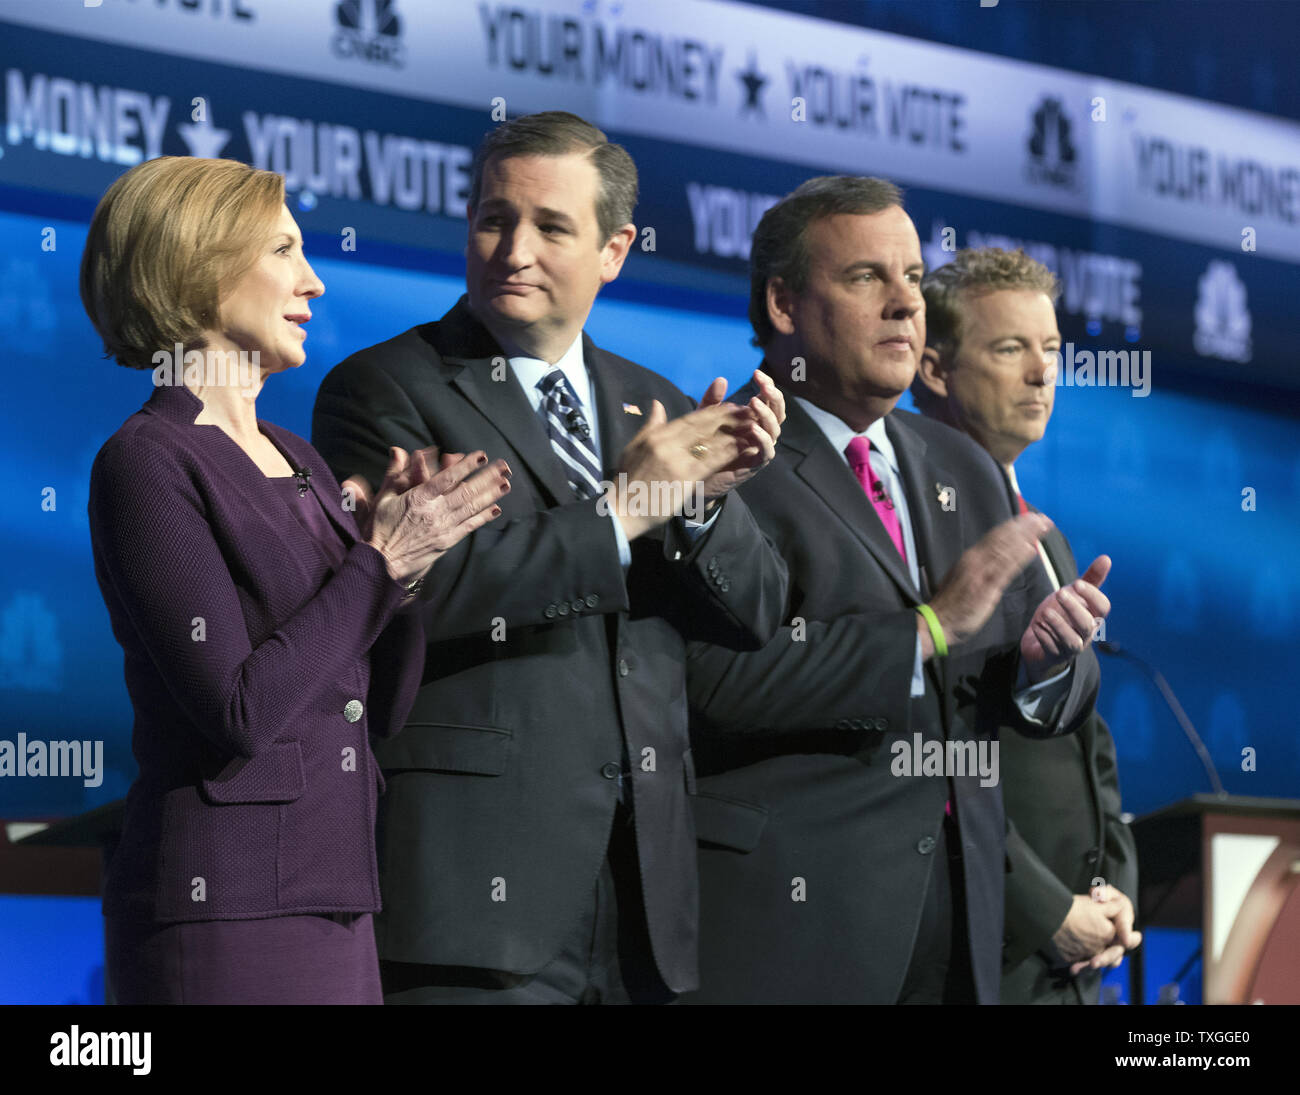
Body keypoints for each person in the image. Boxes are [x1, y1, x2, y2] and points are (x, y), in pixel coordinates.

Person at [312, 111, 789, 1004]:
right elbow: (414, 591)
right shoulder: (384, 388)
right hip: (475, 898)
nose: (512, 249)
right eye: (494, 219)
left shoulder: (657, 400)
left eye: (551, 226)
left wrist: (700, 508)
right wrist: (624, 512)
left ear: (615, 250)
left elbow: (756, 611)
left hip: (646, 900)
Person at [83, 156, 509, 1004]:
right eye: (284, 250)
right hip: (226, 907)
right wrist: (377, 561)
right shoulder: (147, 461)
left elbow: (377, 705)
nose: (313, 281)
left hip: (340, 890)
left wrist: (406, 569)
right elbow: (239, 709)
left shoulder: (301, 459)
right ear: (197, 264)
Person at [683, 176, 1110, 1004]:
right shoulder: (724, 459)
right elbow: (715, 683)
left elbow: (1031, 698)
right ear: (781, 303)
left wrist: (1046, 663)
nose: (904, 305)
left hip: (965, 939)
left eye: (913, 278)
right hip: (794, 932)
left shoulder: (966, 467)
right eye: (866, 278)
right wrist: (926, 629)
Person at [913, 246, 1140, 1003]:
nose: (1043, 374)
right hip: (973, 944)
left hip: (1068, 960)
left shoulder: (1046, 535)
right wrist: (1046, 911)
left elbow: (1088, 746)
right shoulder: (906, 522)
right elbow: (928, 747)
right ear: (935, 369)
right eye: (1011, 349)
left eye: (1050, 350)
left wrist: (1115, 891)